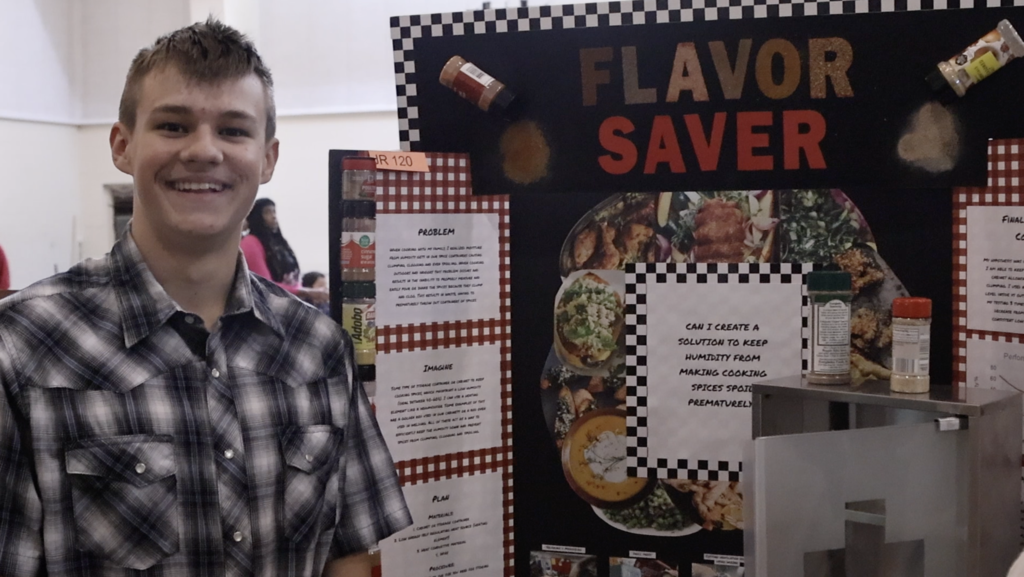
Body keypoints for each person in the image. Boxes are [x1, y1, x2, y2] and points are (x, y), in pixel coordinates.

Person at [0, 19, 410, 577]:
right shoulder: (23, 348)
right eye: (173, 125)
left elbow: (354, 553)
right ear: (122, 145)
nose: (204, 151)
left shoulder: (317, 346)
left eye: (234, 131)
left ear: (268, 158)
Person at [242, 197, 329, 306]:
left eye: (274, 211)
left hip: (291, 304)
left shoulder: (278, 243)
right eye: (267, 212)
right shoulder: (250, 243)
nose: (273, 216)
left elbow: (294, 282)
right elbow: (264, 285)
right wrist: (308, 292)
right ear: (256, 217)